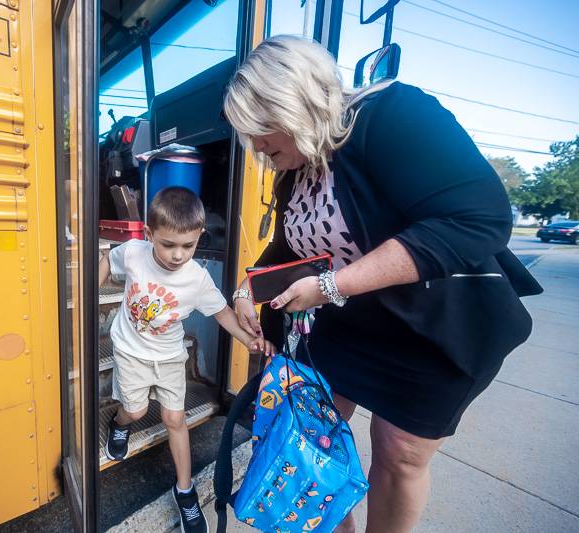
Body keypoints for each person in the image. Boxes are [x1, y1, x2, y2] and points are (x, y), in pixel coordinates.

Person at [223, 36, 541, 533]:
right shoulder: (297, 168)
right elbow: (292, 248)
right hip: (349, 330)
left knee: (399, 453)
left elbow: (477, 219)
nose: (256, 146)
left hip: (431, 333)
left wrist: (332, 285)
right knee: (313, 438)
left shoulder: (393, 115)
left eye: (262, 129)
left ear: (297, 103)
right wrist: (248, 289)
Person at [98, 186, 275, 533]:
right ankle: (120, 424)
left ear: (198, 238)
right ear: (150, 235)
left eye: (188, 246)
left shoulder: (197, 278)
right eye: (168, 245)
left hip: (168, 359)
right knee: (134, 410)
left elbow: (223, 313)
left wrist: (249, 340)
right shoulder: (134, 253)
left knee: (174, 419)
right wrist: (93, 289)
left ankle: (185, 491)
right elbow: (109, 259)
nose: (179, 255)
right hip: (130, 352)